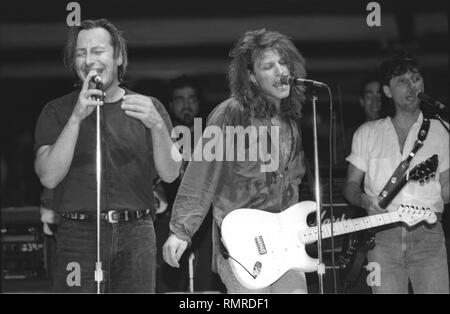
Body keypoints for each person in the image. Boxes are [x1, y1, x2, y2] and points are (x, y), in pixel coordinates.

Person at [34, 19, 181, 293]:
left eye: (98, 51)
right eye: (81, 53)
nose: (89, 60)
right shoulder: (57, 111)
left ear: (119, 57)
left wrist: (158, 126)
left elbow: (171, 172)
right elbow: (49, 176)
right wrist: (77, 117)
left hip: (136, 230)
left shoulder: (149, 107)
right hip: (78, 234)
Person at [163, 29, 309, 293]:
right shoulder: (231, 113)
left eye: (283, 62)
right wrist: (181, 230)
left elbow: (293, 186)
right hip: (241, 245)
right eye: (268, 66)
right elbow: (202, 173)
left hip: (284, 247)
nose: (280, 71)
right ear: (252, 76)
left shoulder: (291, 123)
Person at [343, 52, 449, 293]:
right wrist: (363, 200)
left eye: (416, 78)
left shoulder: (442, 132)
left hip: (429, 236)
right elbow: (349, 186)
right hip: (381, 239)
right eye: (402, 80)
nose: (412, 86)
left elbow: (445, 191)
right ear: (388, 92)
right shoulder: (367, 132)